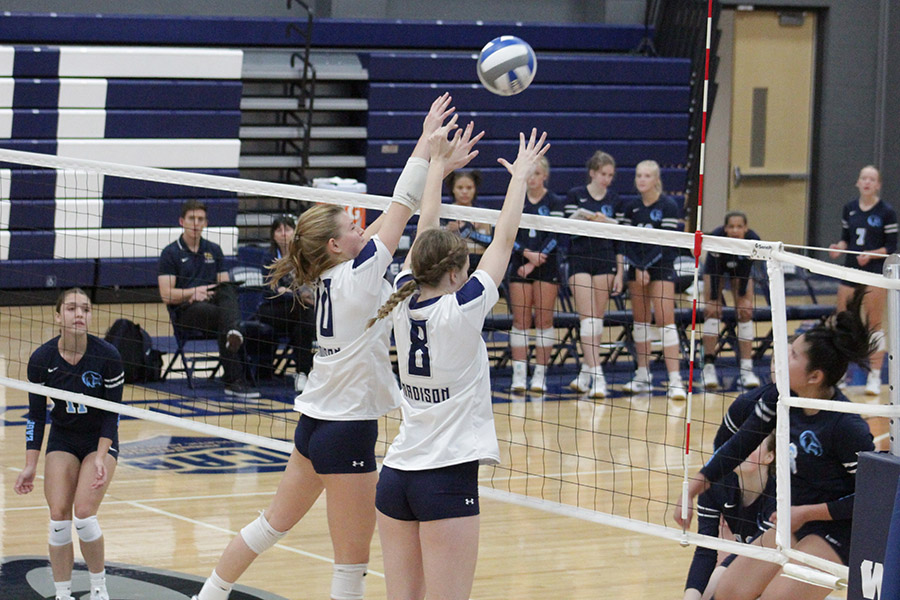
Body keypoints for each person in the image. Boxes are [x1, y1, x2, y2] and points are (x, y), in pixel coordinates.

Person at [190, 93, 482, 600]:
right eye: (350, 226)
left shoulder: (332, 273)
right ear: (335, 244)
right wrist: (424, 145)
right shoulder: (361, 272)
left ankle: (207, 596)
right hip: (346, 431)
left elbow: (390, 219)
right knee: (351, 566)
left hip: (314, 423)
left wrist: (433, 159)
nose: (358, 225)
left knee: (269, 526)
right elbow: (403, 208)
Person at [369, 127, 549, 600]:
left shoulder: (401, 293)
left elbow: (427, 225)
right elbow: (505, 242)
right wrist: (520, 180)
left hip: (396, 479)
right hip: (445, 481)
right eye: (465, 271)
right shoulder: (460, 309)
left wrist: (435, 165)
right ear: (453, 274)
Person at [675, 287, 876, 600]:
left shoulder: (846, 426)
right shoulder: (780, 398)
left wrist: (807, 513)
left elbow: (869, 499)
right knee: (727, 593)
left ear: (815, 377)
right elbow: (740, 443)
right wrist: (696, 484)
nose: (783, 357)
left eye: (794, 355)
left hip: (838, 530)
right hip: (791, 519)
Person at [14, 288, 125, 600]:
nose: (80, 314)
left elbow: (112, 415)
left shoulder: (108, 357)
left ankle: (98, 588)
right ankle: (62, 594)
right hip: (63, 438)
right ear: (58, 314)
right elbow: (36, 416)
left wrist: (102, 456)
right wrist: (30, 465)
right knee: (59, 518)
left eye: (86, 309)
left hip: (98, 441)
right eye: (73, 308)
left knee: (85, 515)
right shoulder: (41, 360)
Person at [158, 199, 259, 399]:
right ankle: (234, 378)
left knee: (228, 292)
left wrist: (210, 292)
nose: (196, 223)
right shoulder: (170, 253)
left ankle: (233, 347)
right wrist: (193, 293)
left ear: (206, 223)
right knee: (227, 318)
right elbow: (167, 295)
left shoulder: (214, 249)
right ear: (182, 221)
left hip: (213, 305)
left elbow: (223, 285)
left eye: (200, 219)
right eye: (192, 218)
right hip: (186, 311)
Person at [616, 159, 686, 400]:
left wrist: (646, 266)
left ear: (657, 179)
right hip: (637, 268)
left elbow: (666, 242)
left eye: (647, 176)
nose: (641, 180)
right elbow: (625, 240)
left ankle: (675, 380)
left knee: (666, 322)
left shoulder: (668, 206)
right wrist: (637, 266)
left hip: (661, 267)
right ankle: (643, 374)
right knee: (641, 322)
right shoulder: (631, 207)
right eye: (638, 176)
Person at [828, 165, 897, 396]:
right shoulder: (849, 209)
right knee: (844, 322)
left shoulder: (886, 212)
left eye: (872, 179)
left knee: (874, 325)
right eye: (863, 178)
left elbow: (891, 247)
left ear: (877, 185)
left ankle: (875, 377)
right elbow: (846, 240)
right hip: (850, 271)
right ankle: (840, 374)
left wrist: (871, 255)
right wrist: (839, 248)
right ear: (858, 182)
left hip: (875, 273)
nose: (867, 182)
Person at [682, 433, 776, 600]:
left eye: (752, 444)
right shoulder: (715, 485)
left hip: (786, 568)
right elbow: (705, 550)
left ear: (770, 456)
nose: (742, 449)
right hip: (749, 560)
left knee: (723, 587)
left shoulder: (779, 495)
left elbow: (753, 552)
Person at [563, 150, 624, 399]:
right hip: (579, 260)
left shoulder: (615, 201)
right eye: (603, 174)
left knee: (597, 320)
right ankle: (598, 375)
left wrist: (620, 271)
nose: (606, 179)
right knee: (586, 318)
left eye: (610, 175)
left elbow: (620, 239)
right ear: (592, 173)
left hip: (605, 260)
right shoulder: (575, 195)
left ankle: (586, 373)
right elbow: (565, 229)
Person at [508, 155, 564, 394]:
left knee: (543, 321)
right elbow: (507, 233)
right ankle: (519, 375)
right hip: (519, 265)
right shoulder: (516, 199)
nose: (532, 178)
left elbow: (557, 235)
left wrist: (535, 260)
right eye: (528, 173)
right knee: (520, 321)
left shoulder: (554, 202)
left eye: (536, 174)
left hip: (546, 266)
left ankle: (539, 375)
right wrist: (527, 254)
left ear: (545, 176)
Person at [701, 211, 763, 391]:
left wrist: (742, 299)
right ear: (725, 228)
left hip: (741, 270)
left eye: (739, 226)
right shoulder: (716, 239)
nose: (735, 230)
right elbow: (713, 273)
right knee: (712, 311)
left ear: (746, 228)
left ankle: (747, 369)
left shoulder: (753, 240)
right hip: (715, 270)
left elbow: (745, 273)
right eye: (731, 226)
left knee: (745, 311)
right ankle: (709, 367)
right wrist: (713, 299)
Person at [256, 214, 316, 392]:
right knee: (304, 311)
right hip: (272, 310)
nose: (283, 234)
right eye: (278, 230)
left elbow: (310, 286)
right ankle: (305, 373)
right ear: (273, 234)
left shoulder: (303, 257)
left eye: (287, 229)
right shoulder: (268, 258)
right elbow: (272, 291)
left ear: (294, 232)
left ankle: (301, 374)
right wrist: (295, 294)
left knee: (302, 321)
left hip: (297, 313)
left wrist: (292, 293)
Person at [443, 169, 492, 273]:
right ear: (453, 189)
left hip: (480, 263)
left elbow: (490, 241)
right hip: (454, 263)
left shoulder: (483, 213)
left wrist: (464, 228)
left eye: (469, 188)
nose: (464, 192)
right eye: (460, 188)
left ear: (475, 189)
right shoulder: (445, 213)